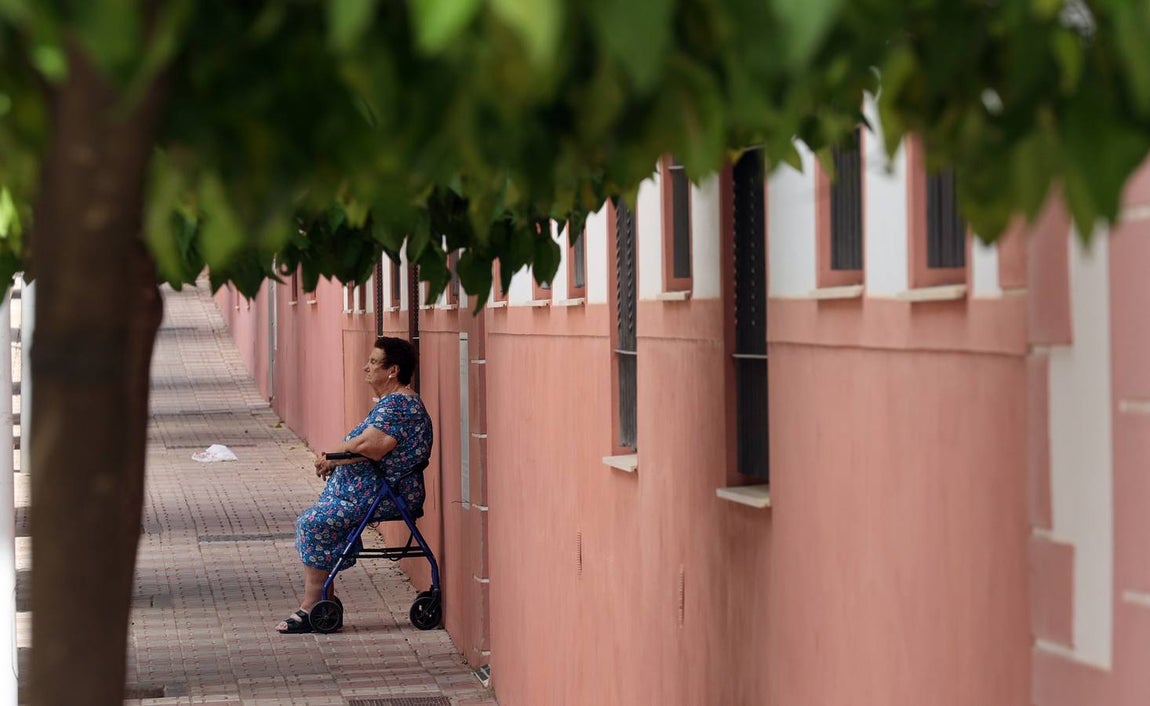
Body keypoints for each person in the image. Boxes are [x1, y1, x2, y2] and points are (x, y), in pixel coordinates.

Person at [276, 336, 433, 634]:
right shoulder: (392, 403)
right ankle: (323, 602)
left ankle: (313, 606)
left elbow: (369, 445)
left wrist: (332, 460)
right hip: (370, 492)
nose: (366, 367)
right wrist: (333, 459)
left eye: (374, 362)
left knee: (313, 523)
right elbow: (364, 444)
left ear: (393, 370)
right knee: (318, 521)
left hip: (388, 494)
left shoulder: (401, 405)